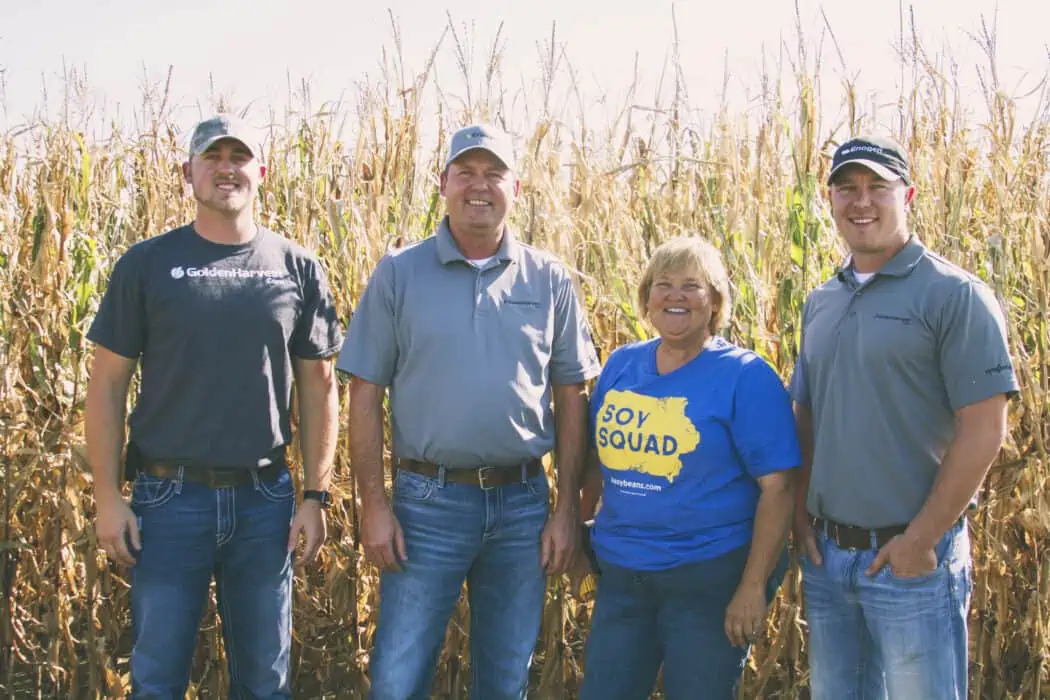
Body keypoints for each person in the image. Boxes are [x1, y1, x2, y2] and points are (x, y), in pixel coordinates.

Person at [338, 123, 601, 700]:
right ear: (443, 184)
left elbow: (571, 395)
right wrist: (374, 506)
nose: (479, 186)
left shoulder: (549, 278)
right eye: (466, 172)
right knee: (396, 679)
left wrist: (564, 512)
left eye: (493, 174)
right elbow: (364, 393)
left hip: (523, 507)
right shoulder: (398, 274)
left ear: (517, 187)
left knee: (505, 681)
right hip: (426, 506)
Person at [84, 114, 342, 699]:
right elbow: (106, 385)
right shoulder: (146, 265)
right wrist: (107, 497)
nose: (227, 168)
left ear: (262, 172)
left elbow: (320, 386)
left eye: (240, 157)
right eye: (213, 157)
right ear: (188, 172)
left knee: (265, 683)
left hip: (266, 505)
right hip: (168, 502)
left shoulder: (297, 267)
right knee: (157, 680)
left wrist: (315, 496)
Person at [791, 135, 1018, 699]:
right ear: (831, 200)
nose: (861, 201)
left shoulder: (954, 295)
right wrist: (799, 517)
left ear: (908, 195)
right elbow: (807, 416)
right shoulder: (822, 300)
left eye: (877, 188)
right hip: (828, 558)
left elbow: (984, 429)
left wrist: (921, 539)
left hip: (910, 562)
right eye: (847, 189)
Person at [577, 236, 801, 700]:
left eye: (691, 286)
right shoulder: (622, 365)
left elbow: (779, 487)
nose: (675, 296)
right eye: (663, 284)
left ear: (715, 301)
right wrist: (577, 528)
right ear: (646, 298)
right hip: (623, 579)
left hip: (706, 582)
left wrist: (752, 586)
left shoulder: (745, 376)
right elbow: (595, 462)